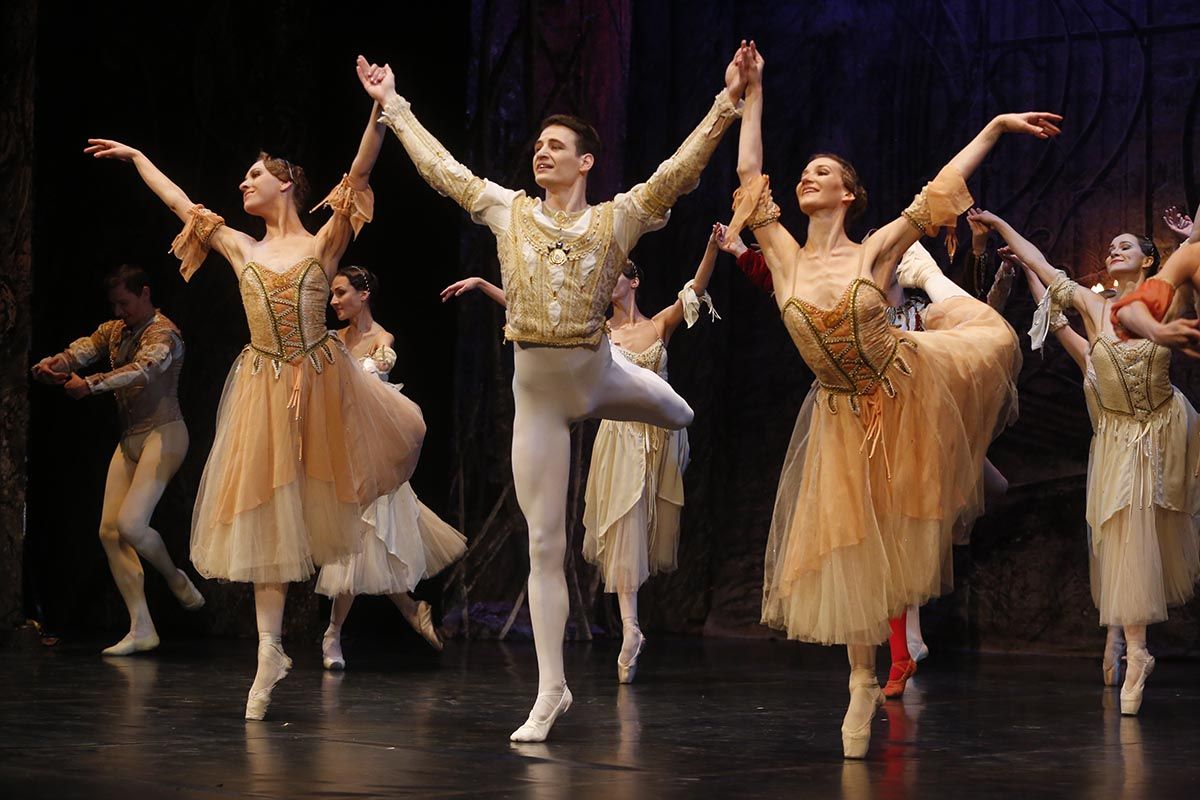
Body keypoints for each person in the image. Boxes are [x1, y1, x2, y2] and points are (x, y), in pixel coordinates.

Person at [358, 45, 748, 741]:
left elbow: (679, 174)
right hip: (539, 396)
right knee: (544, 543)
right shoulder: (509, 210)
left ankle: (642, 384)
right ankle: (550, 691)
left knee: (678, 410)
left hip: (600, 373)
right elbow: (443, 172)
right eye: (537, 144)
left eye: (556, 145)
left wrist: (727, 102)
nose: (541, 152)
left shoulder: (618, 217)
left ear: (585, 162)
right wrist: (394, 103)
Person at [732, 40, 1055, 757]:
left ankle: (890, 664)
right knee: (850, 547)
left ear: (847, 194)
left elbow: (935, 192)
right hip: (840, 414)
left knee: (893, 537)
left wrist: (996, 127)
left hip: (904, 391)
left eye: (826, 172)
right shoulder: (782, 253)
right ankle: (858, 681)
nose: (809, 176)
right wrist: (752, 93)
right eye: (807, 171)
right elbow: (750, 174)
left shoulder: (874, 250)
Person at [86, 90, 426, 720]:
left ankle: (343, 620)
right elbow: (182, 205)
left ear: (287, 185)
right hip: (264, 389)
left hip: (321, 382)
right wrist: (137, 158)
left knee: (326, 501)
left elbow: (360, 173)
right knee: (268, 515)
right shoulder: (242, 248)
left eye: (255, 175)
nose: (244, 183)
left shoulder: (323, 244)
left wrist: (378, 110)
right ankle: (269, 652)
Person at [444, 228, 722, 685]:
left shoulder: (658, 325)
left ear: (632, 281)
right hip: (618, 440)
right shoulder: (598, 332)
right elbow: (534, 316)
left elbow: (695, 291)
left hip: (657, 438)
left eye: (614, 276)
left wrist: (710, 247)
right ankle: (630, 628)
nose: (606, 283)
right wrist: (482, 285)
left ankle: (633, 625)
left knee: (645, 528)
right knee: (622, 523)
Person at [969, 209, 1200, 716]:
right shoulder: (1093, 312)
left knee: (1139, 531)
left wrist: (1194, 237)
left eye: (1127, 246)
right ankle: (1129, 644)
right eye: (1110, 246)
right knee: (1120, 535)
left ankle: (1132, 646)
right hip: (1116, 437)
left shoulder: (1168, 295)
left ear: (1149, 259)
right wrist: (1000, 224)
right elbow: (1042, 269)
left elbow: (1190, 265)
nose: (1114, 250)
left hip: (1160, 431)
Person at [32, 263, 203, 655]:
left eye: (124, 303)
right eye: (114, 305)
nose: (118, 312)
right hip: (131, 439)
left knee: (131, 523)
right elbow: (84, 350)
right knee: (110, 531)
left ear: (144, 292)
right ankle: (141, 625)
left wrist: (90, 386)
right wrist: (54, 365)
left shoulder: (165, 334)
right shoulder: (114, 331)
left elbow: (142, 371)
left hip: (166, 433)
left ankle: (175, 577)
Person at [316, 266, 467, 669]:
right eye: (332, 294)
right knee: (371, 541)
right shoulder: (332, 340)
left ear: (363, 295)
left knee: (364, 536)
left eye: (341, 293)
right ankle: (409, 609)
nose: (334, 301)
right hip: (343, 447)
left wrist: (369, 365)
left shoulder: (382, 340)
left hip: (375, 452)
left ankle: (333, 634)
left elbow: (377, 373)